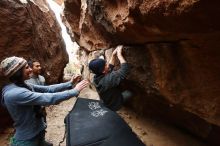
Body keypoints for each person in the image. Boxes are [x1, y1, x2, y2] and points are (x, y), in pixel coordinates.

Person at [0, 56, 89, 146]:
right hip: (27, 139)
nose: (30, 69)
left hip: (37, 132)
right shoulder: (15, 93)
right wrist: (74, 91)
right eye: (27, 67)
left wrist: (70, 83)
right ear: (17, 72)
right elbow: (48, 98)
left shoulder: (23, 85)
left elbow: (48, 89)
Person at [89, 45, 132, 111]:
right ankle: (120, 106)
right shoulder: (107, 81)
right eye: (105, 64)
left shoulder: (96, 78)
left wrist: (113, 55)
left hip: (107, 102)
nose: (108, 64)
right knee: (130, 93)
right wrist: (119, 55)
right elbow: (125, 69)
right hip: (114, 104)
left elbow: (110, 68)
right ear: (103, 71)